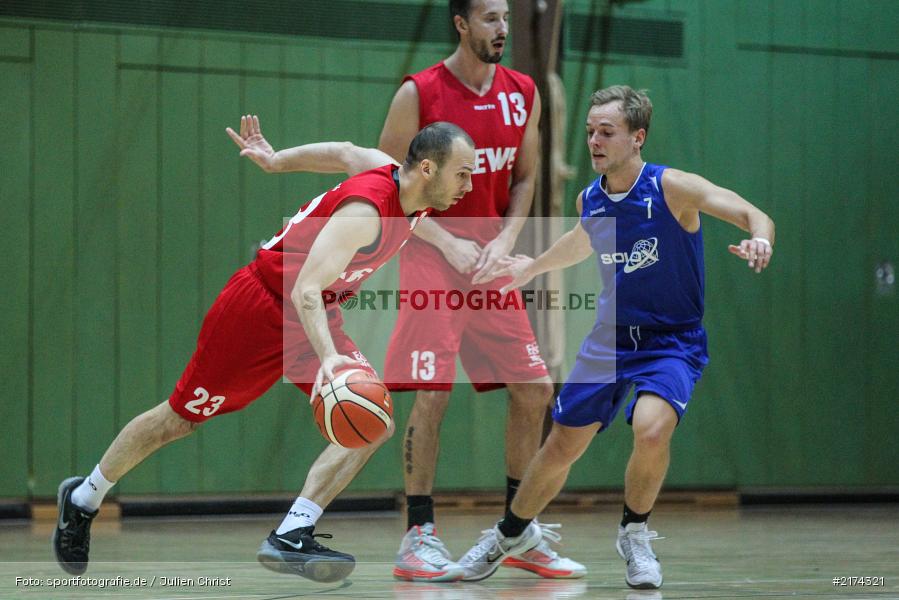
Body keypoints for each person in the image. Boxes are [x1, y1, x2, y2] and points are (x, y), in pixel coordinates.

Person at [52, 116, 476, 584]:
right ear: (429, 169)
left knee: (372, 424)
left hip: (316, 312)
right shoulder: (366, 214)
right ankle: (84, 497)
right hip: (261, 309)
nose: (469, 185)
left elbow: (344, 150)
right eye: (463, 173)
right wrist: (330, 358)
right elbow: (305, 291)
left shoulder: (401, 183)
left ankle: (292, 533)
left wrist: (277, 161)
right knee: (178, 420)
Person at [455, 85, 776, 588]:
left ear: (637, 137)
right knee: (561, 445)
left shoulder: (673, 188)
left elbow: (751, 212)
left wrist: (760, 238)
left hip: (672, 341)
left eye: (607, 132)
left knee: (651, 427)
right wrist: (532, 267)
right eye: (589, 133)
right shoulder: (592, 197)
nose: (594, 141)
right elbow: (581, 240)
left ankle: (635, 534)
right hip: (610, 339)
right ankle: (508, 534)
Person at [377, 0, 584, 581]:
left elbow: (524, 178)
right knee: (433, 392)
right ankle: (418, 535)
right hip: (429, 257)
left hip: (491, 265)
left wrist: (507, 239)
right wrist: (447, 244)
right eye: (490, 19)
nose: (502, 30)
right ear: (461, 24)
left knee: (535, 389)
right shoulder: (418, 93)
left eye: (505, 19)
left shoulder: (524, 91)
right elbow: (386, 183)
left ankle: (517, 531)